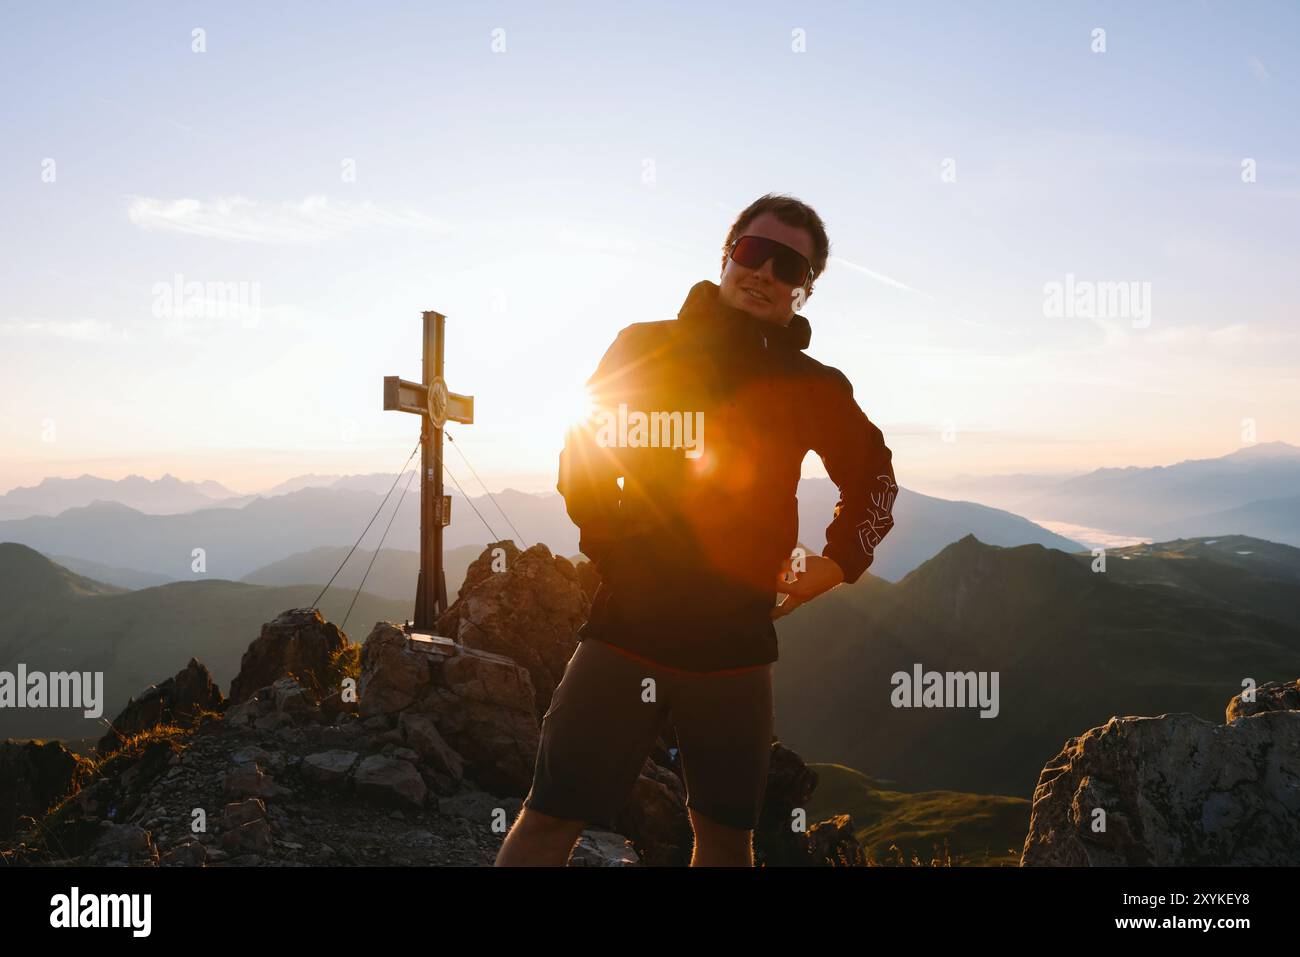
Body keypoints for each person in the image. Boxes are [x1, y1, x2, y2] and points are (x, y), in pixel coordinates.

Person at [495, 193, 897, 866]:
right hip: (626, 630)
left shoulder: (811, 385)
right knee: (550, 816)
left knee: (724, 839)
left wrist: (837, 562)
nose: (763, 272)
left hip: (737, 646)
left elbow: (875, 475)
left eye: (788, 266)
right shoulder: (647, 346)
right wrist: (615, 552)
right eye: (751, 251)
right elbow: (583, 453)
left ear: (805, 289)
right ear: (727, 252)